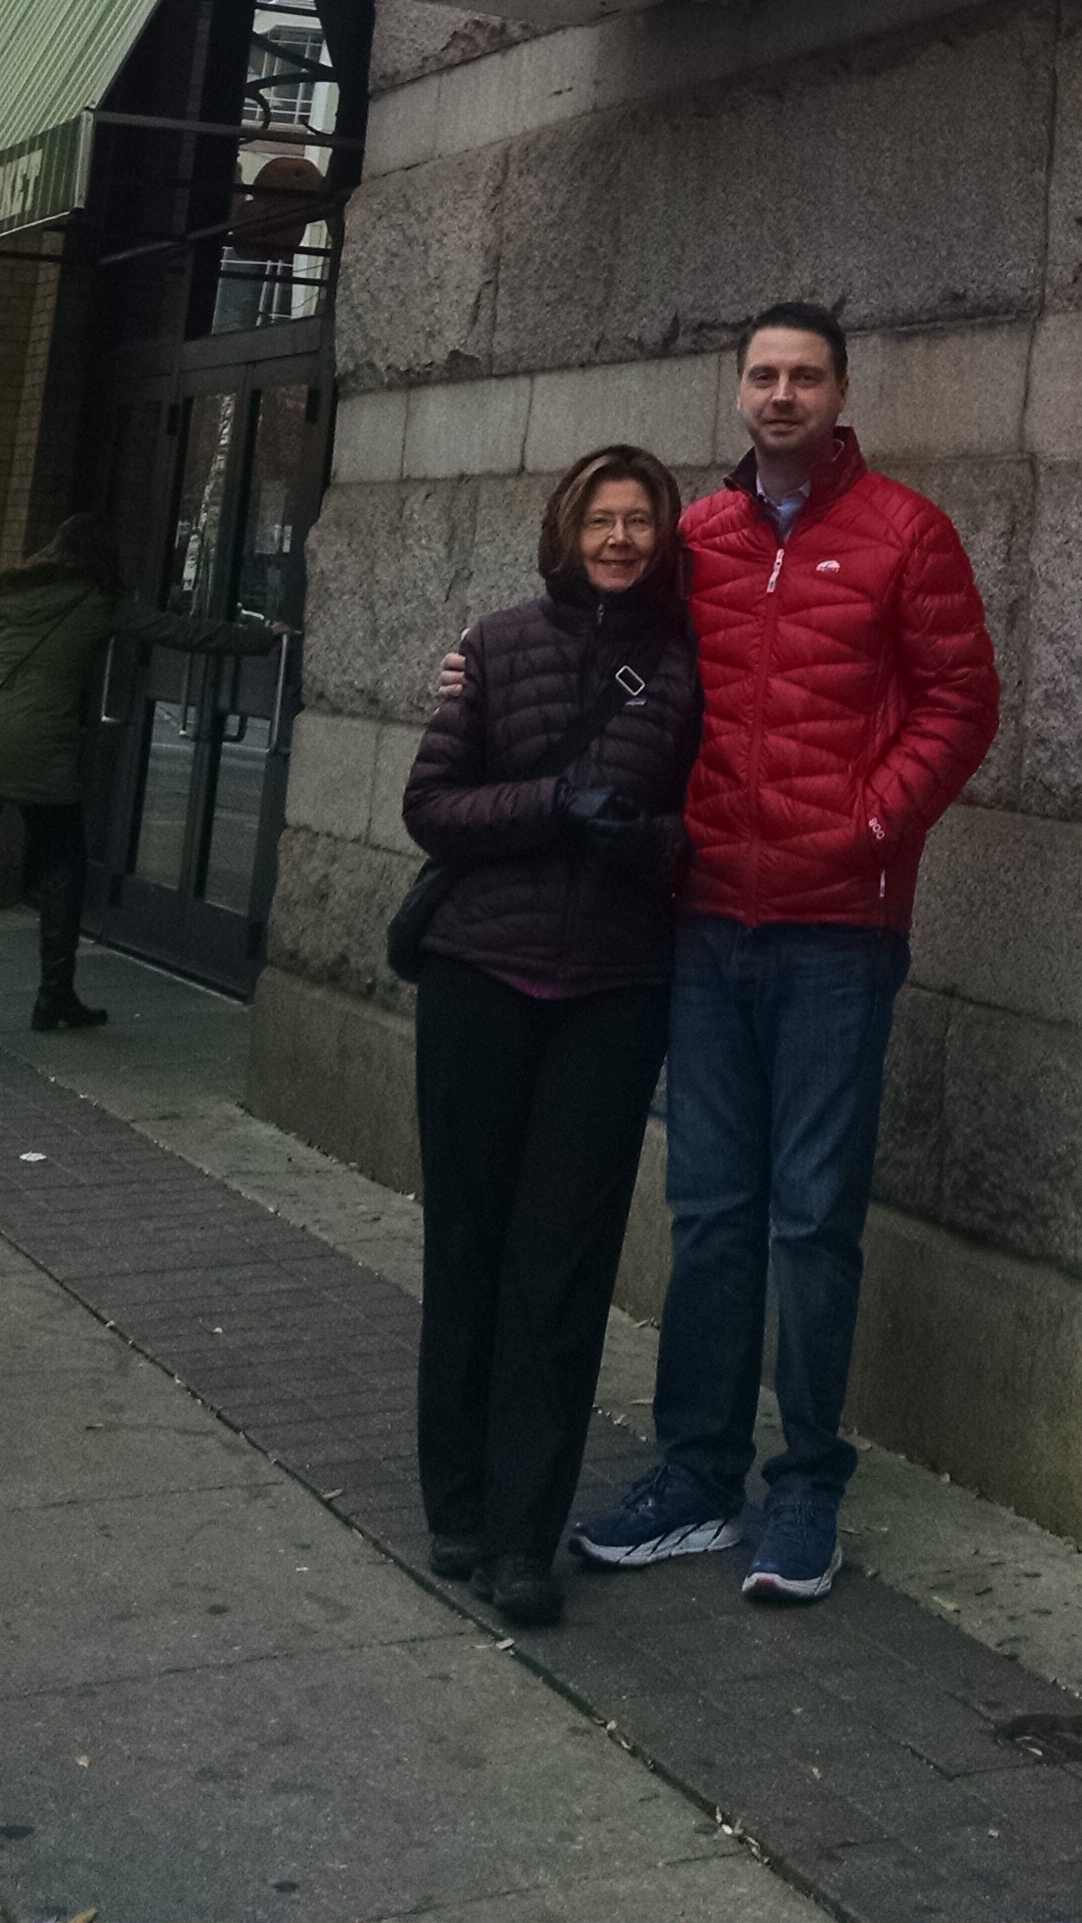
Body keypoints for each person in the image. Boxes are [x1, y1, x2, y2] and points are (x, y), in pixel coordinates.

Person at [570, 305, 999, 1607]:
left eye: (804, 376)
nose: (781, 394)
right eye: (762, 374)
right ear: (738, 391)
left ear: (841, 392)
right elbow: (604, 653)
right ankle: (697, 1474)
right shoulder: (695, 537)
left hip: (835, 934)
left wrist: (868, 823)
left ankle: (805, 1486)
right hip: (707, 919)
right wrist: (472, 676)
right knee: (710, 1213)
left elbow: (961, 702)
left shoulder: (907, 533)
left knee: (812, 1220)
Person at [401, 444, 702, 1630]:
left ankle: (526, 1536)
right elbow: (430, 806)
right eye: (599, 520)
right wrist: (549, 805)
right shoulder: (493, 645)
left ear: (664, 538)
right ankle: (458, 1505)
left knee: (562, 1267)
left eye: (639, 521)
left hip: (611, 991)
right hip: (479, 976)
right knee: (469, 1244)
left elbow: (704, 825)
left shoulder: (686, 666)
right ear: (565, 531)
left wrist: (646, 840)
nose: (619, 539)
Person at [0, 511, 283, 1030]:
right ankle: (54, 997)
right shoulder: (100, 602)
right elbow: (181, 631)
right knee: (63, 865)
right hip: (41, 748)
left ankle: (56, 998)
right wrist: (261, 638)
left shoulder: (12, 594)